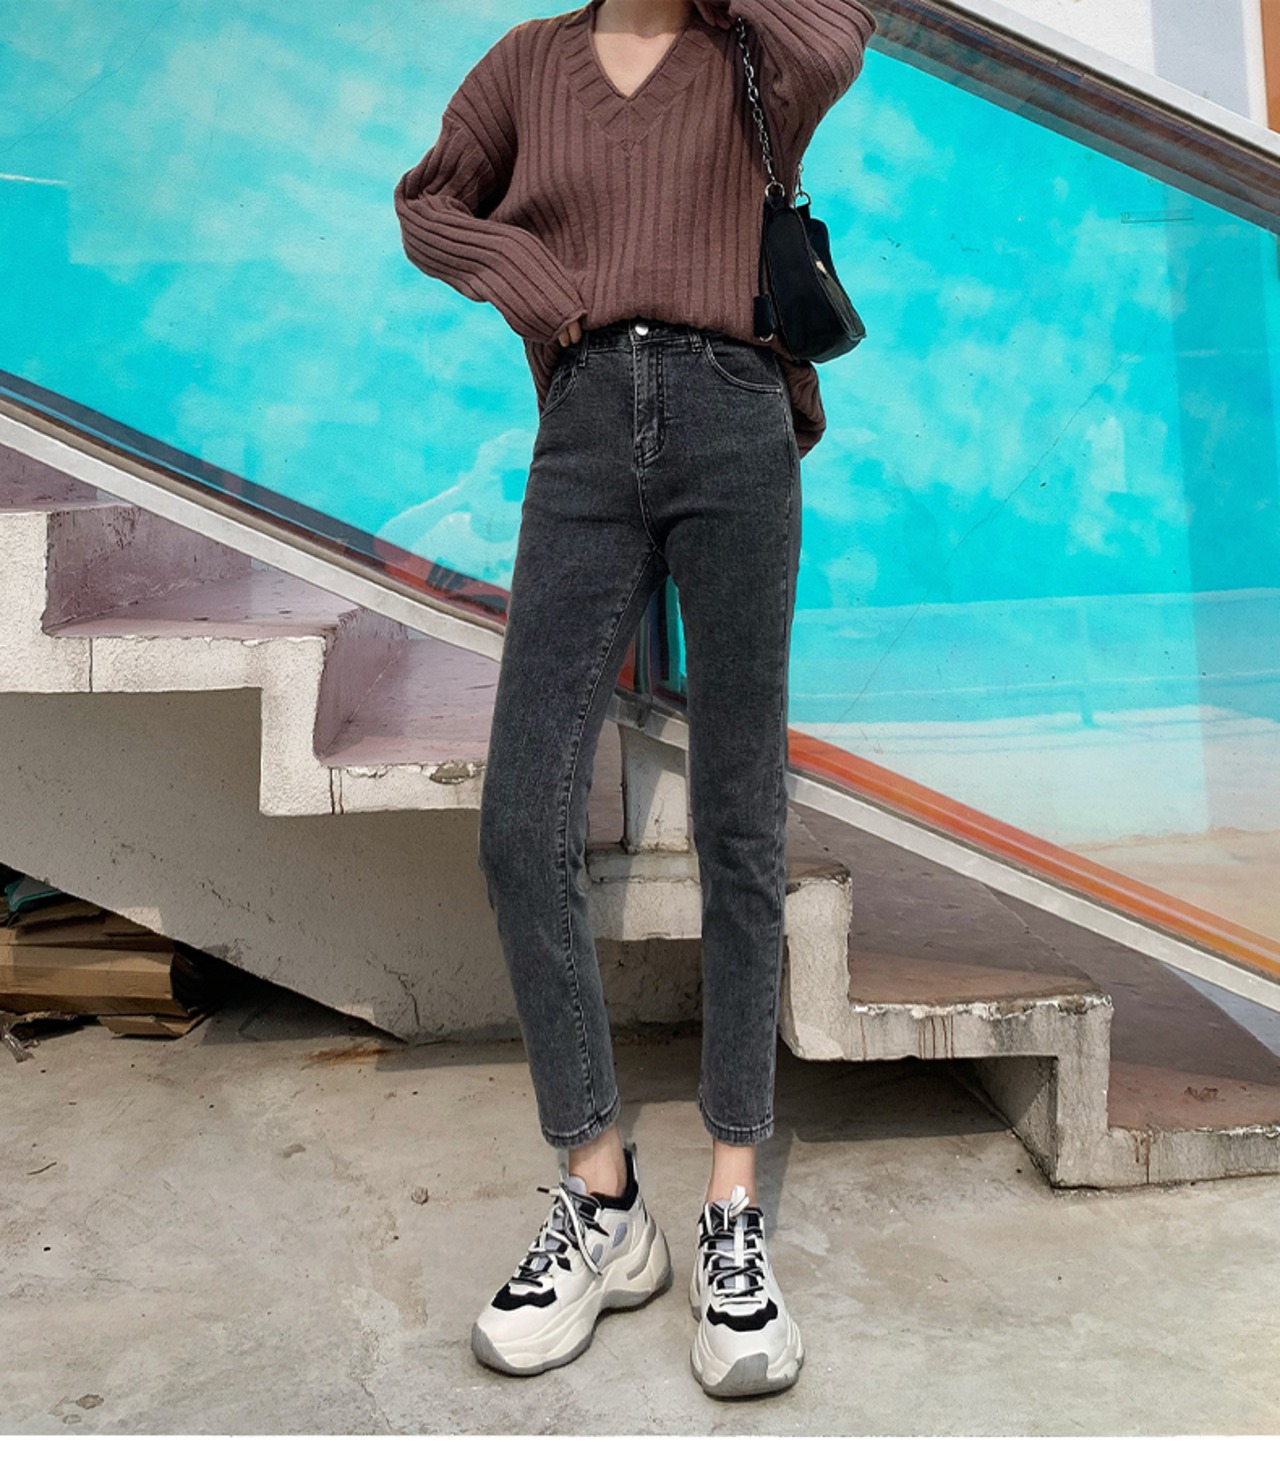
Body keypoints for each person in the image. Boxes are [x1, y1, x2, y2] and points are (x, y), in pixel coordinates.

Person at [394, 0, 875, 1399]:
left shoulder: (756, 45)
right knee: (518, 823)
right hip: (587, 426)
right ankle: (603, 1199)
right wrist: (530, 280)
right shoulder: (530, 63)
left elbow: (841, 37)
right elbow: (428, 204)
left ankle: (732, 1208)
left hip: (737, 417)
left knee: (739, 825)